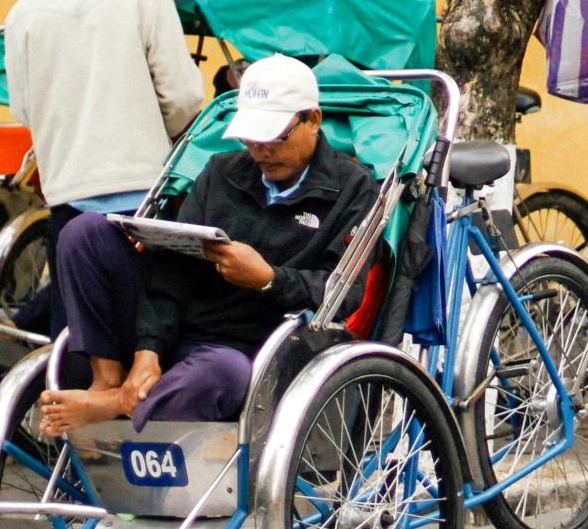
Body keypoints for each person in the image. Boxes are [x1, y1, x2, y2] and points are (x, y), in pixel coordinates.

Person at [39, 56, 380, 434]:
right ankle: (107, 381)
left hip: (250, 349)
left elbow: (343, 293)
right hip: (177, 324)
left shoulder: (354, 188)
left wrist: (268, 279)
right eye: (251, 137)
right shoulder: (222, 171)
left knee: (222, 373)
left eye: (273, 137)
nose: (261, 150)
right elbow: (173, 268)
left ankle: (120, 403)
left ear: (313, 120)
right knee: (84, 232)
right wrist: (147, 350)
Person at [0, 0, 207, 333]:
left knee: (78, 335)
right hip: (144, 201)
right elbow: (186, 98)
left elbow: (23, 109)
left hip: (68, 202)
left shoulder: (22, 13)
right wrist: (158, 133)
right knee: (148, 331)